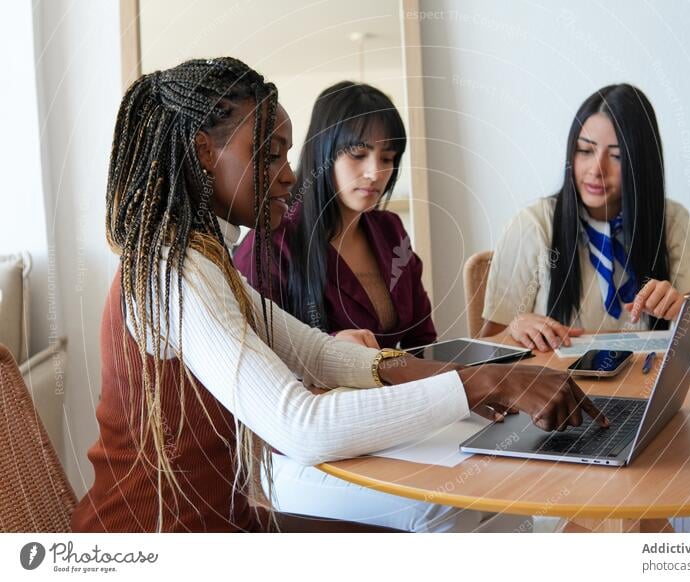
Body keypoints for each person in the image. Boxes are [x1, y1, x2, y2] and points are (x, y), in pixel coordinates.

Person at [70, 57, 606, 533]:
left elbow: (321, 354)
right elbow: (297, 425)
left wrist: (489, 378)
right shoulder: (175, 270)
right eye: (269, 155)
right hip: (156, 539)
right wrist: (481, 383)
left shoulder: (204, 262)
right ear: (204, 153)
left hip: (225, 523)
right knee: (451, 520)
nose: (287, 176)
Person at [480, 84, 690, 349]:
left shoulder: (673, 222)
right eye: (585, 151)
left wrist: (684, 310)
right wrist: (516, 327)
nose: (597, 169)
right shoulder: (533, 225)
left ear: (642, 163)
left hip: (645, 386)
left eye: (617, 156)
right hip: (557, 387)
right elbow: (487, 347)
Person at [235, 81, 435, 350]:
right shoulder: (269, 248)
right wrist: (331, 349)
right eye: (358, 154)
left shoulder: (391, 230)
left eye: (387, 159)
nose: (375, 173)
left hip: (401, 389)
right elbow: (257, 362)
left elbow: (422, 341)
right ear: (323, 153)